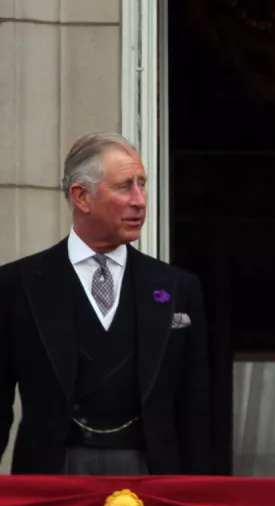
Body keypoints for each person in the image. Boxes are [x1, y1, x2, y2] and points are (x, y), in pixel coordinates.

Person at [0, 132, 211, 475]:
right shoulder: (16, 286)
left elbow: (197, 409)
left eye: (142, 184)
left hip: (153, 477)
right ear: (82, 196)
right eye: (125, 186)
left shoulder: (179, 288)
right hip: (53, 476)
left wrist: (201, 501)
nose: (140, 200)